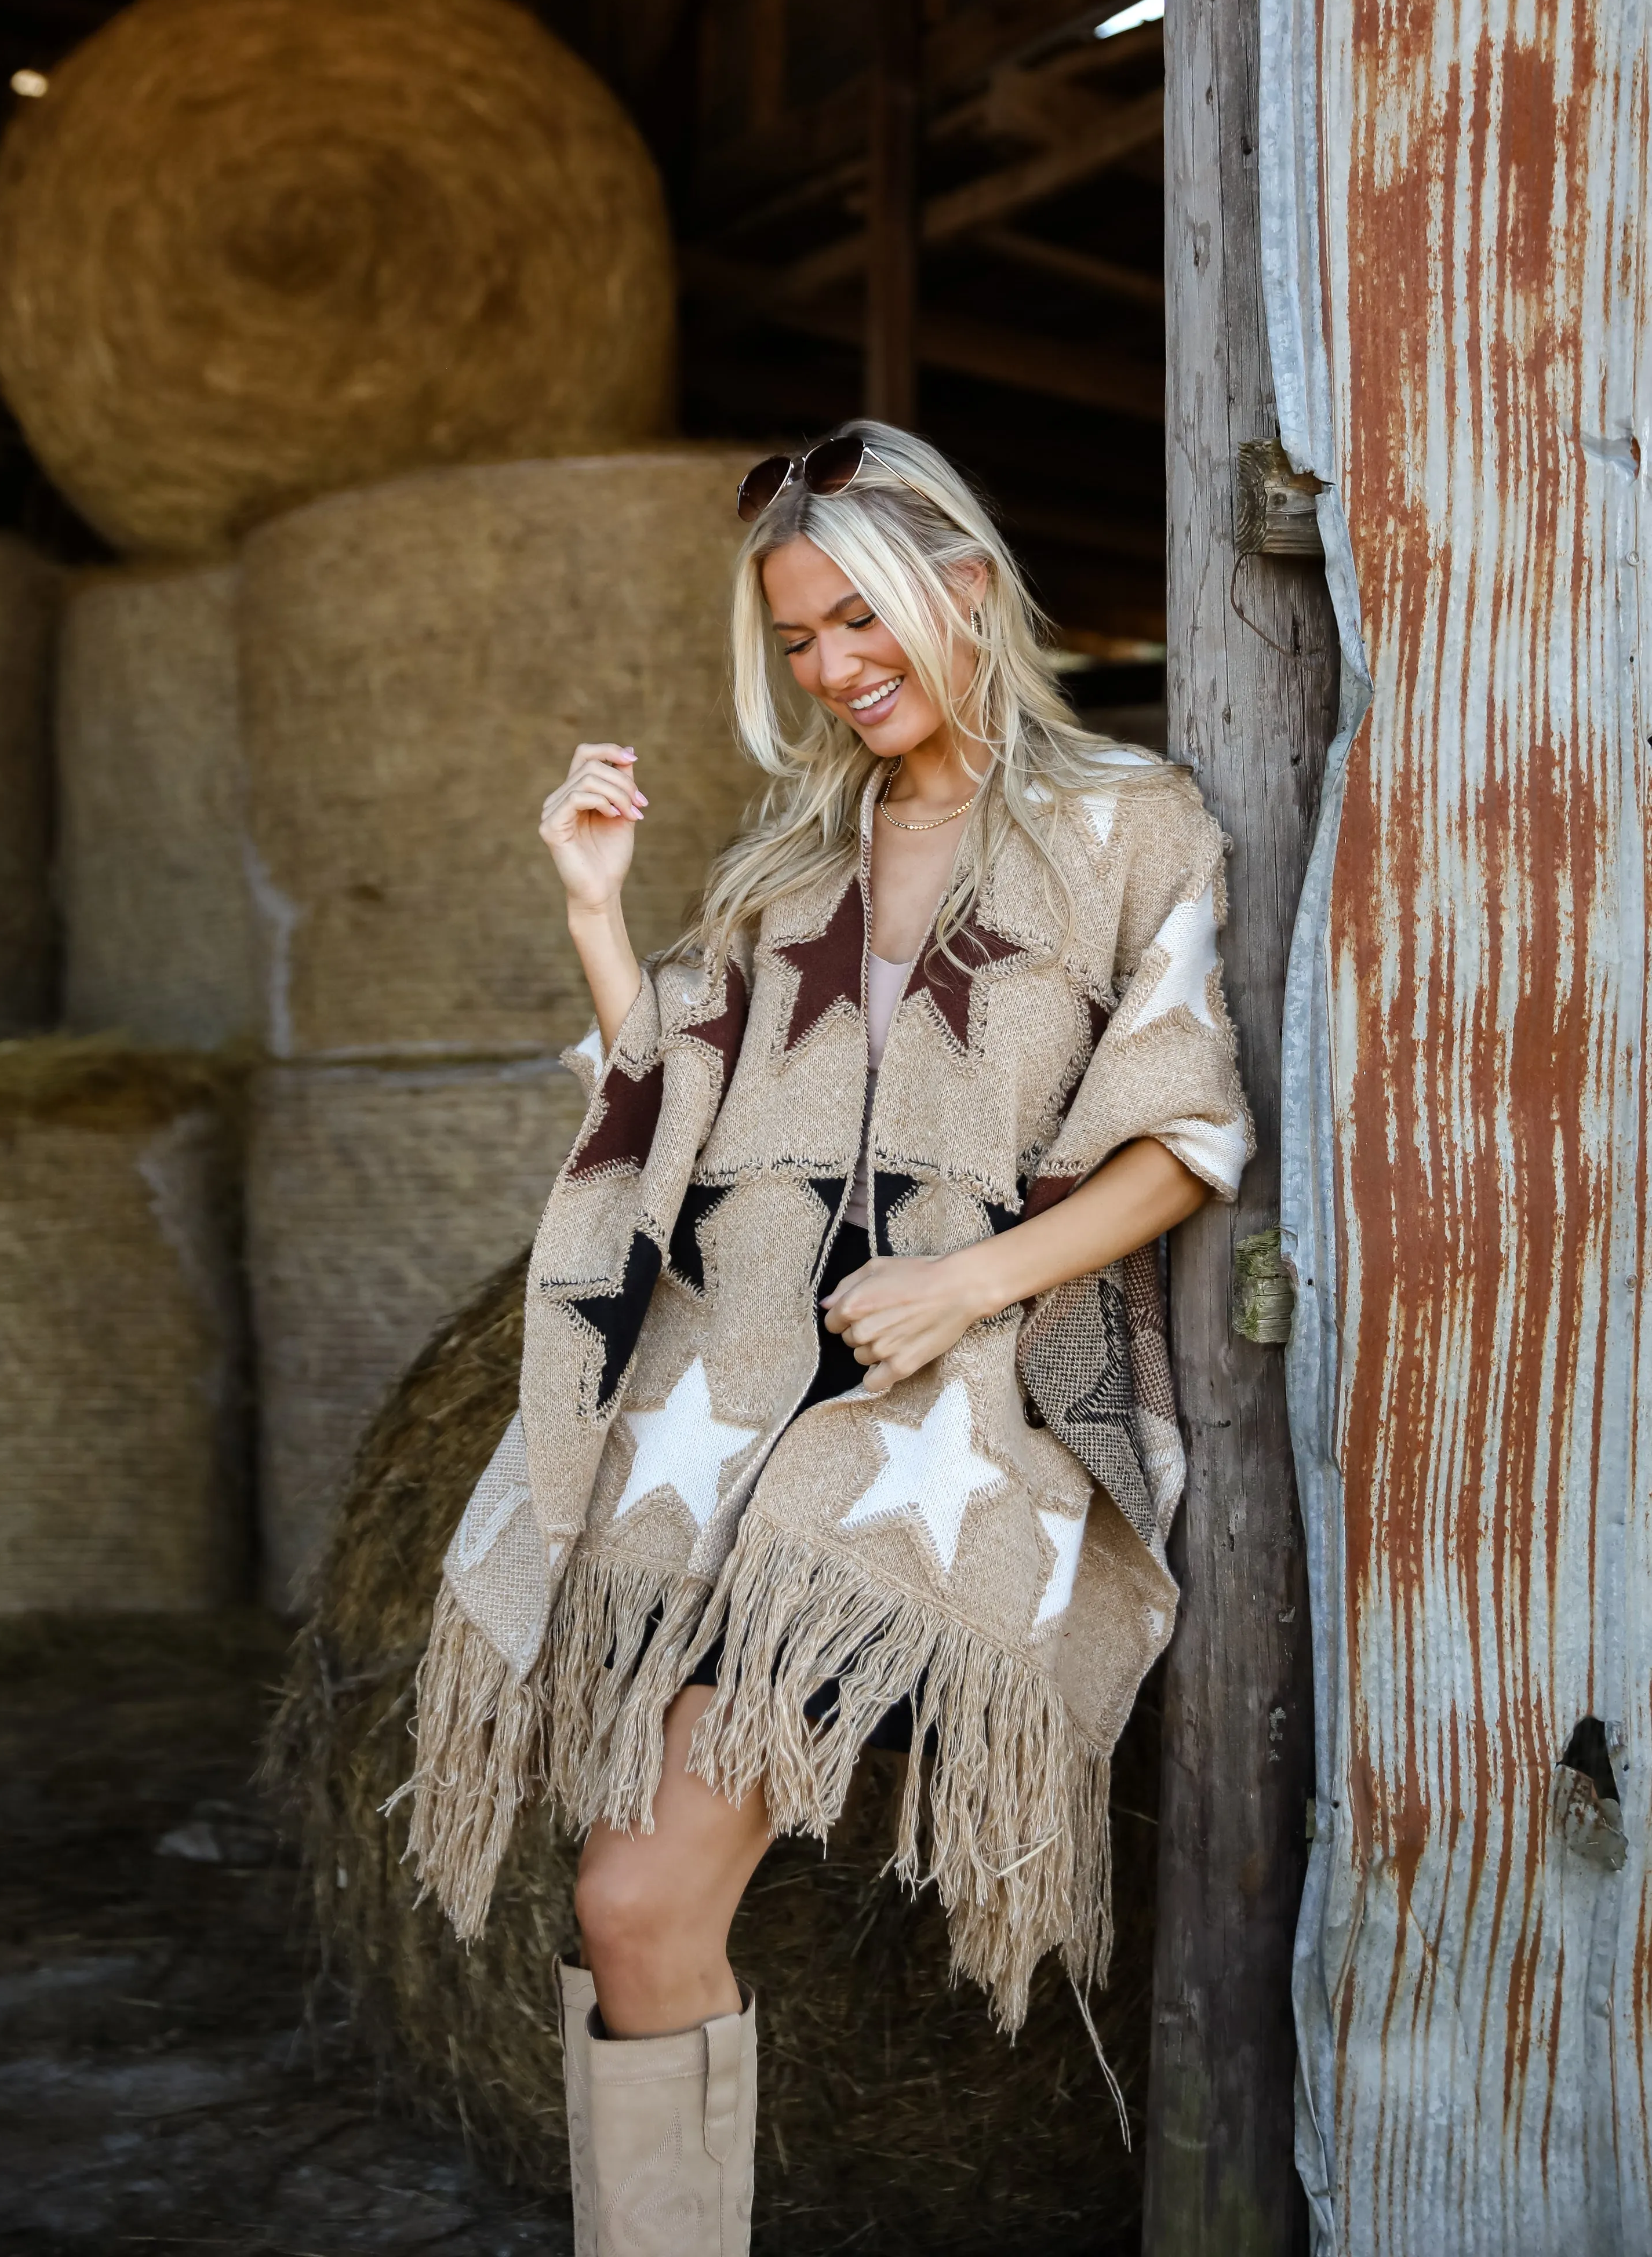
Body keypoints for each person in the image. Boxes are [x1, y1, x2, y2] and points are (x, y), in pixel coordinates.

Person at [405, 424, 1251, 2256]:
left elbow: (1184, 1138)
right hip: (734, 1390)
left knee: (633, 1898)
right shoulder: (800, 858)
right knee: (628, 1899)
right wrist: (593, 911)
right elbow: (673, 1124)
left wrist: (974, 1285)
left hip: (946, 1417)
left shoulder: (1128, 821)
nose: (833, 669)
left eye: (857, 618)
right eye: (795, 640)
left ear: (964, 589)